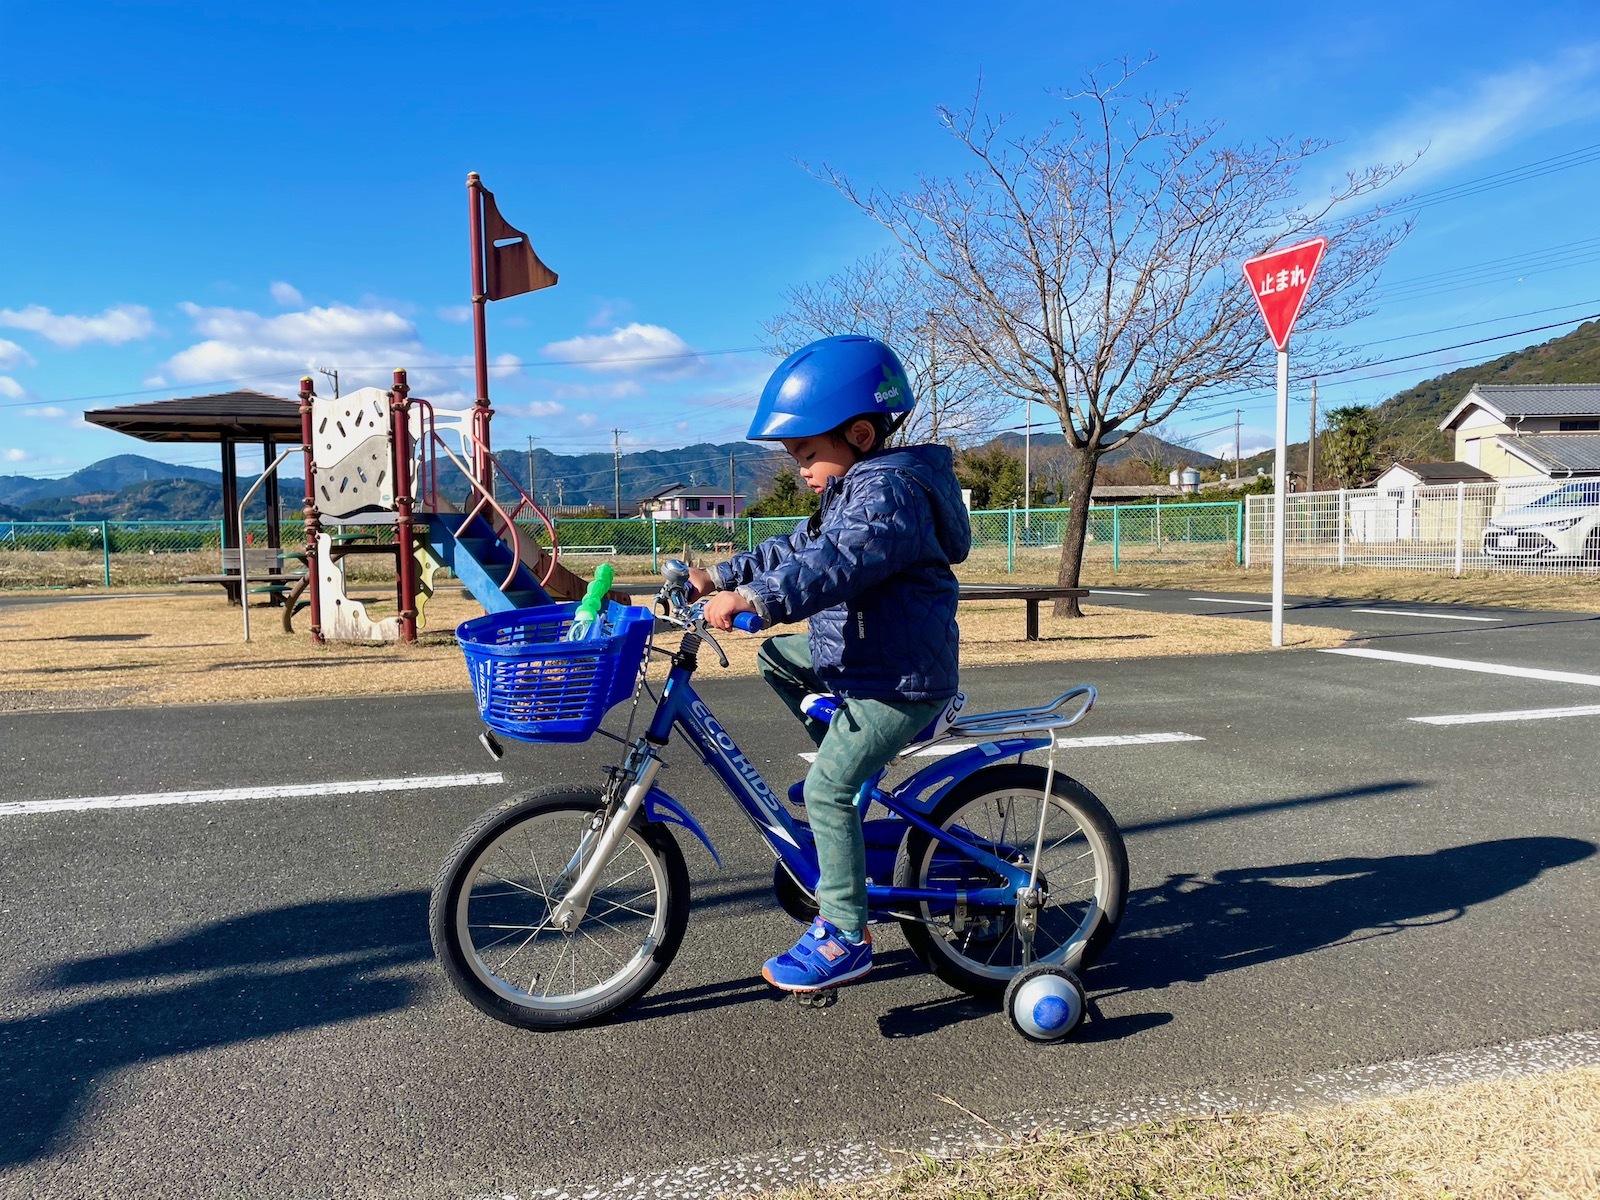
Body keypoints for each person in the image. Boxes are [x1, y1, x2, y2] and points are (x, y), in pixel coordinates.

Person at [689, 334, 971, 993]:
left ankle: (846, 936)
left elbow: (834, 565)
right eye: (795, 456)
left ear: (862, 434)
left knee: (827, 790)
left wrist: (756, 598)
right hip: (868, 657)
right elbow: (799, 545)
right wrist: (725, 576)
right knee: (779, 661)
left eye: (808, 453)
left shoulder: (888, 497)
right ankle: (850, 769)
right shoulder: (856, 488)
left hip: (898, 681)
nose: (799, 469)